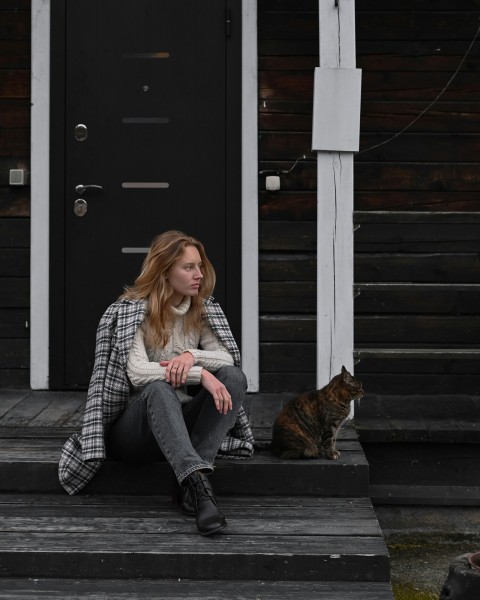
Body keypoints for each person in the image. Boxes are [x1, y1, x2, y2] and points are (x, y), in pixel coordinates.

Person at [58, 231, 254, 536]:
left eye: (199, 266)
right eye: (188, 267)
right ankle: (201, 491)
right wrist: (200, 374)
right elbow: (137, 372)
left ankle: (192, 484)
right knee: (159, 389)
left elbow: (226, 358)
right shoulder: (130, 311)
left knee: (234, 378)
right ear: (164, 272)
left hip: (178, 426)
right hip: (134, 433)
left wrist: (191, 355)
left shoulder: (202, 309)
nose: (199, 275)